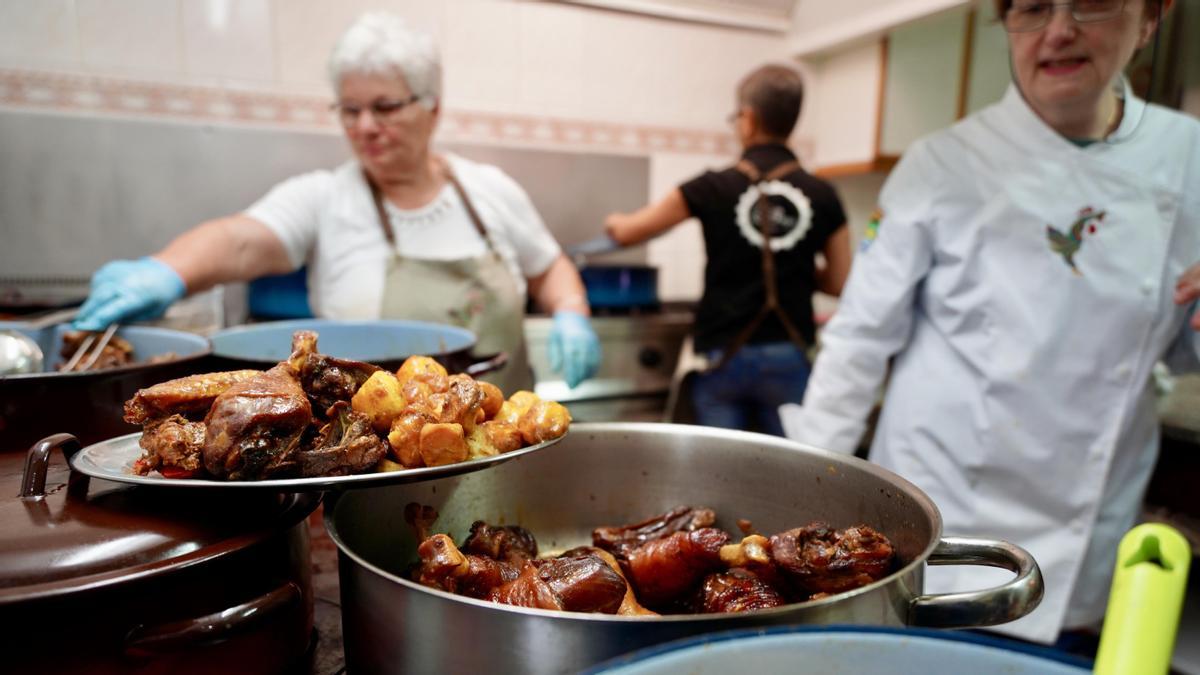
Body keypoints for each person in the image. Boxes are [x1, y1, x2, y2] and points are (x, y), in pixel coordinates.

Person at [781, 0, 1197, 647]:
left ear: (1150, 19)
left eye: (1090, 2)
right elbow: (859, 340)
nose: (1058, 30)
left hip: (1087, 534)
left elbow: (1185, 342)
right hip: (945, 523)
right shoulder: (941, 163)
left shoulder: (1190, 160)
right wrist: (808, 508)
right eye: (1032, 7)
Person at [72, 12, 601, 394]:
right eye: (349, 110)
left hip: (501, 446)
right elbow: (238, 241)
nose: (365, 127)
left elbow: (548, 265)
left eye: (384, 107)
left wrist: (572, 312)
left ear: (432, 108)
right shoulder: (326, 198)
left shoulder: (491, 191)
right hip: (373, 467)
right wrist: (165, 271)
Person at [602, 64, 851, 436]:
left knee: (723, 478)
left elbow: (629, 232)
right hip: (790, 353)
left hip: (723, 356)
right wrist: (793, 267)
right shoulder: (823, 194)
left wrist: (614, 221)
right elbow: (839, 282)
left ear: (748, 119)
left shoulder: (711, 187)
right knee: (792, 476)